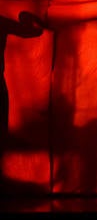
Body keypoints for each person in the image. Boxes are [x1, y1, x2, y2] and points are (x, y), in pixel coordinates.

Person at [0, 10, 47, 159]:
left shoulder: (2, 22)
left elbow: (32, 31)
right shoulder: (1, 22)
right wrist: (29, 17)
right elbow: (32, 32)